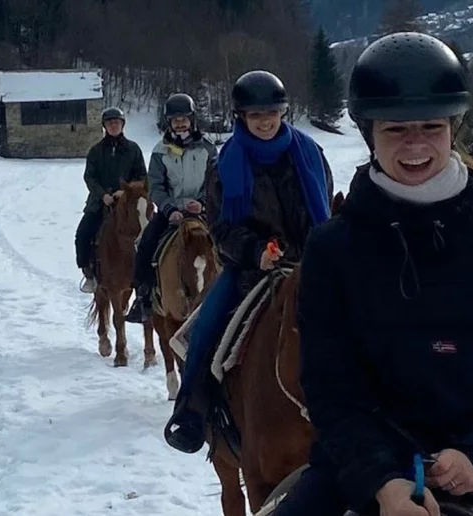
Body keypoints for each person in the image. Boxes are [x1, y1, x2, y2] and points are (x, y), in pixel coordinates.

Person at [275, 32, 473, 516]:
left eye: (430, 127)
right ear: (369, 134)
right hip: (364, 464)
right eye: (395, 130)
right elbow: (331, 387)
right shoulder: (333, 249)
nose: (415, 145)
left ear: (452, 130)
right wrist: (383, 479)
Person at [163, 70, 335, 454]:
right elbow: (221, 227)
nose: (265, 120)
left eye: (271, 112)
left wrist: (317, 248)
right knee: (207, 325)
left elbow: (326, 203)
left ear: (283, 112)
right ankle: (191, 409)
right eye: (255, 114)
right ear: (241, 117)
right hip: (252, 270)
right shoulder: (227, 163)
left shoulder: (310, 154)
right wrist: (256, 251)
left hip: (311, 263)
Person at [125, 93, 219, 323]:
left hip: (203, 211)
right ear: (169, 122)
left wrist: (203, 203)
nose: (180, 123)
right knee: (145, 244)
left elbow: (215, 181)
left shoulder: (208, 148)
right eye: (175, 120)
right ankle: (143, 297)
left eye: (184, 119)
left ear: (192, 119)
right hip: (171, 213)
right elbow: (155, 186)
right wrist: (169, 209)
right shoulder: (160, 151)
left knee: (227, 243)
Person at [75, 106, 148, 293]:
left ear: (122, 125)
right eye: (110, 123)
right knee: (83, 234)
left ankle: (147, 275)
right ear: (104, 126)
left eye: (117, 122)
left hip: (129, 202)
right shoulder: (96, 151)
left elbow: (141, 175)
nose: (114, 126)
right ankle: (89, 274)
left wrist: (125, 192)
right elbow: (89, 177)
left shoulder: (133, 149)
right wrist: (103, 195)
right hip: (100, 202)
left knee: (147, 231)